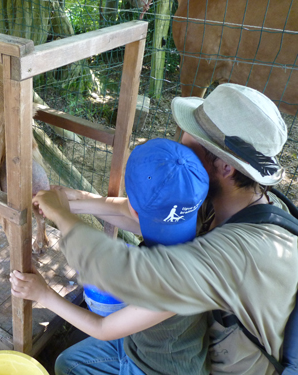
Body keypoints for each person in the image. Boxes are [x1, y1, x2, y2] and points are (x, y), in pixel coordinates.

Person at [32, 83, 298, 375]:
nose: (181, 147)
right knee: (70, 363)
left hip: (210, 368)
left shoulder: (239, 254)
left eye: (192, 142)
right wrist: (76, 203)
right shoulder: (231, 201)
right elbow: (152, 216)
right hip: (188, 339)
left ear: (225, 167)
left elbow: (121, 272)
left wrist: (60, 215)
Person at [11, 138, 210, 374]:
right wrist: (73, 202)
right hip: (137, 342)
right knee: (67, 364)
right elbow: (125, 210)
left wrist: (43, 294)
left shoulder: (175, 283)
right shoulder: (196, 221)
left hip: (156, 368)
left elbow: (103, 328)